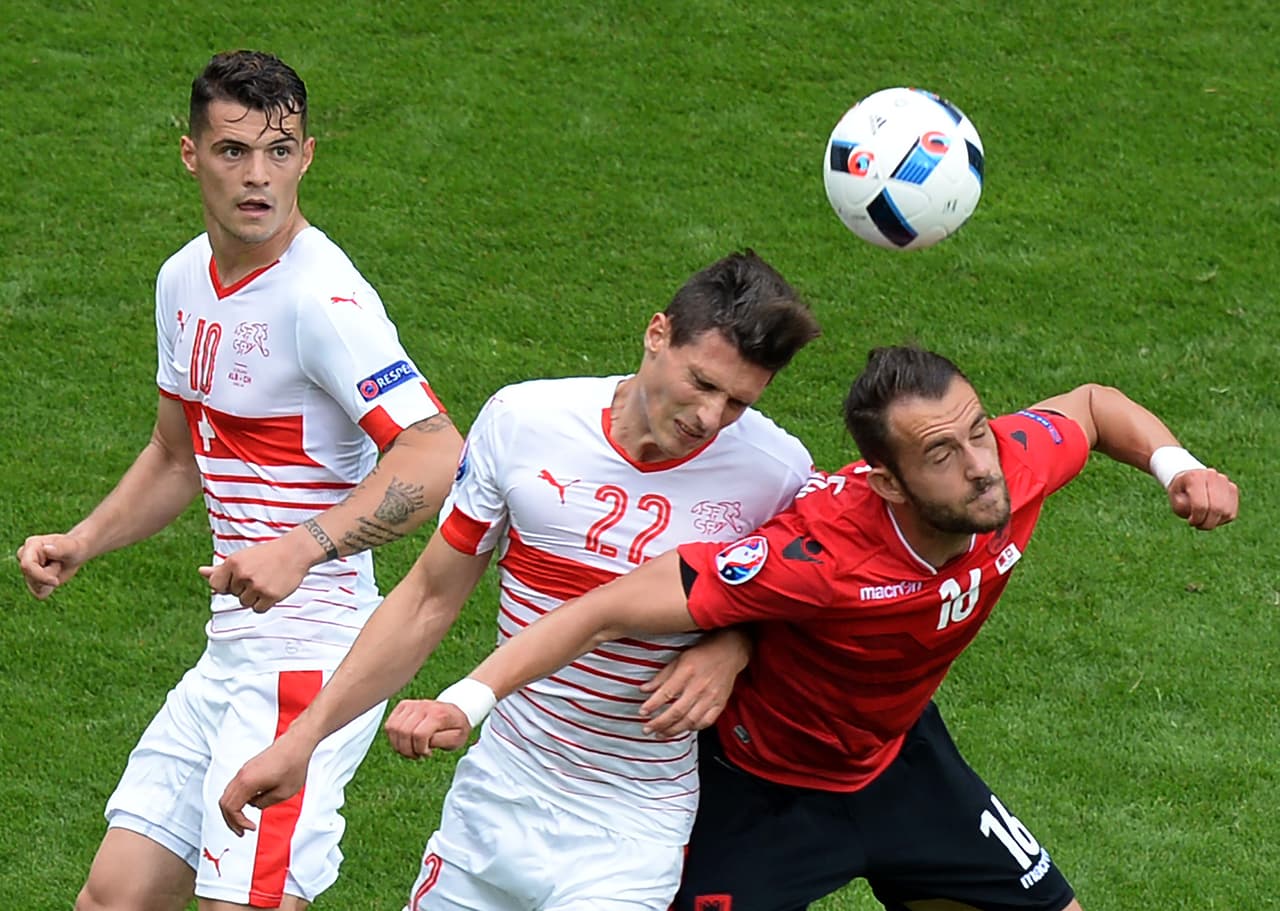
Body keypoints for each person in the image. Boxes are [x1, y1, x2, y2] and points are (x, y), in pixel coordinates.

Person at [378, 345, 1239, 911]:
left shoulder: (1009, 464)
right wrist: (467, 697)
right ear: (889, 483)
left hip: (901, 763)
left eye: (978, 432)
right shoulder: (815, 555)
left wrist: (1179, 464)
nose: (983, 465)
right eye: (943, 454)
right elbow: (605, 606)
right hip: (761, 791)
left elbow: (1091, 404)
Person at [217, 250, 823, 909]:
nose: (710, 416)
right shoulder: (525, 422)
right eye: (703, 383)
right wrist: (303, 739)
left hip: (631, 828)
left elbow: (815, 610)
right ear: (657, 334)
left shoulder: (777, 474)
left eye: (737, 401)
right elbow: (426, 598)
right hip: (493, 804)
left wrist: (738, 645)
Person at [16, 50, 464, 911]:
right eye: (233, 152)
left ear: (307, 155)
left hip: (310, 657)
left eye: (280, 150)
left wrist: (306, 544)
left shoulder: (323, 302)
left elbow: (436, 453)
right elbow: (178, 455)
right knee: (114, 897)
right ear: (191, 155)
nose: (258, 176)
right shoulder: (184, 279)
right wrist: (84, 539)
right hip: (232, 654)